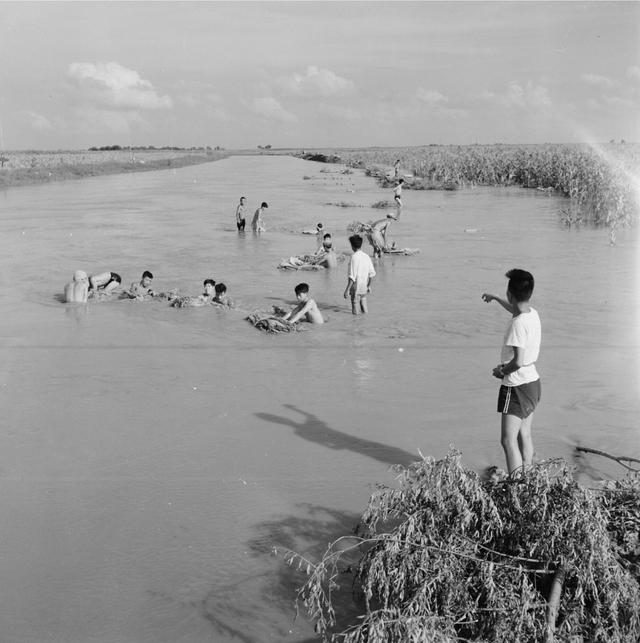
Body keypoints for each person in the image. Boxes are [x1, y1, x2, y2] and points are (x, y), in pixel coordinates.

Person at [482, 269, 541, 476]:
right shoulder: (531, 314)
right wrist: (496, 298)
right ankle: (529, 478)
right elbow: (515, 309)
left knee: (507, 440)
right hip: (533, 383)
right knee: (524, 434)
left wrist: (501, 371)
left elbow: (517, 361)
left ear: (511, 293)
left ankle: (516, 485)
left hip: (515, 385)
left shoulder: (517, 324)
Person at [343, 234, 375, 315]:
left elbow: (352, 277)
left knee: (355, 306)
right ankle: (365, 322)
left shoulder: (354, 257)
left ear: (352, 246)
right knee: (364, 305)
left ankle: (356, 325)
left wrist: (346, 290)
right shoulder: (366, 256)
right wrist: (368, 285)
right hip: (364, 284)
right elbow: (371, 274)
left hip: (355, 285)